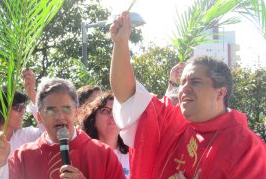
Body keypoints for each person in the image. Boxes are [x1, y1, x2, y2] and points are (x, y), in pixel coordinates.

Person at [109, 11, 266, 178]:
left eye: (195, 82)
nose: (185, 88)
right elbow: (127, 95)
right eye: (182, 82)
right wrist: (120, 43)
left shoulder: (246, 147)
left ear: (220, 92)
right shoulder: (170, 121)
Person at [0, 78, 125, 179]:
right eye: (51, 110)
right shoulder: (23, 157)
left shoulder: (102, 154)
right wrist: (0, 164)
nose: (59, 116)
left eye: (66, 109)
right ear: (39, 117)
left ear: (76, 112)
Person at [79, 92, 130, 178]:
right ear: (93, 120)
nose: (112, 115)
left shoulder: (133, 154)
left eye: (116, 111)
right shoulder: (84, 155)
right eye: (105, 110)